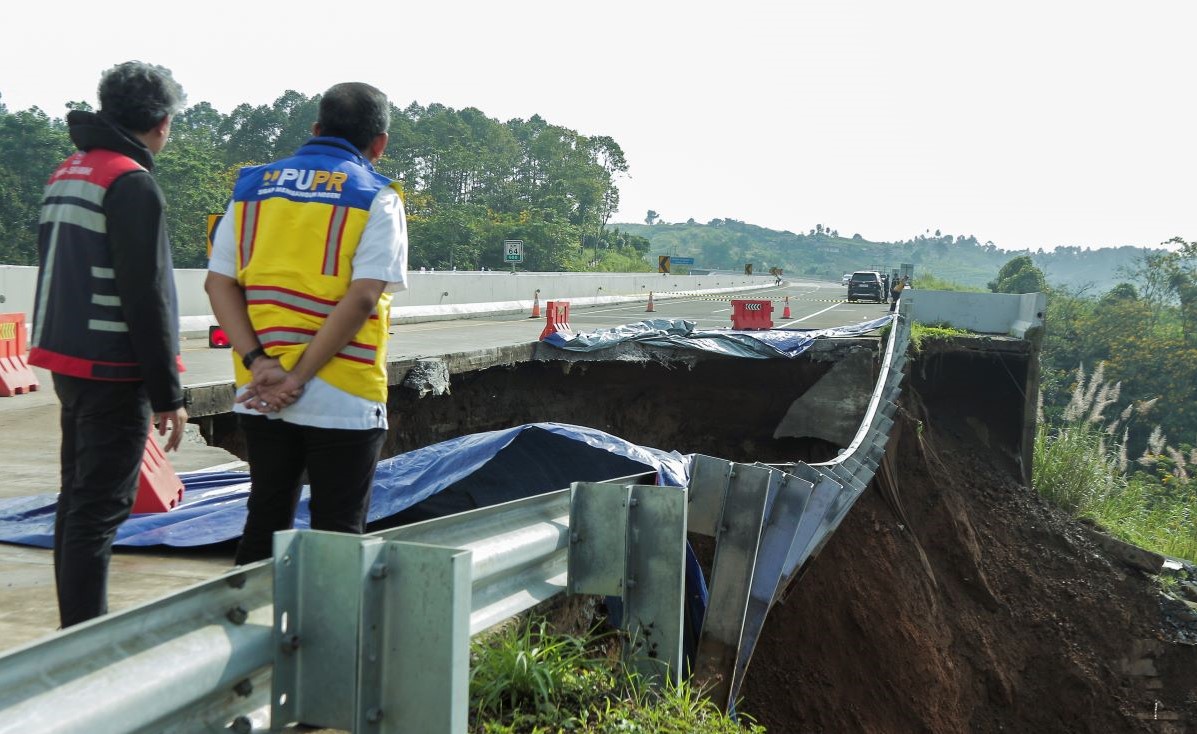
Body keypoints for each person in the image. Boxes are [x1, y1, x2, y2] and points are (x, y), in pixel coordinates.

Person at [205, 82, 408, 565]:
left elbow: (218, 284)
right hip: (343, 392)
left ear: (316, 129)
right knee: (337, 536)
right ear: (379, 143)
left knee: (264, 522)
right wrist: (297, 377)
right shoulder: (377, 197)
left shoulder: (251, 189)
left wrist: (260, 363)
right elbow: (363, 297)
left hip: (260, 390)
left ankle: (248, 613)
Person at [28, 61, 189, 628]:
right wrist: (168, 393)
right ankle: (82, 634)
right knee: (100, 507)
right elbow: (146, 296)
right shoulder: (130, 182)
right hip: (113, 367)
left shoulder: (70, 170)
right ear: (162, 122)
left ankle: (76, 623)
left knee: (78, 498)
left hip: (67, 358)